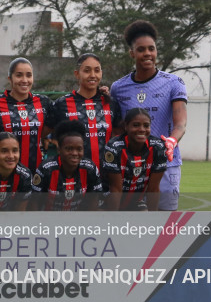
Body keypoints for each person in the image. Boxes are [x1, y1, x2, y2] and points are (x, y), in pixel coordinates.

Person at [110, 20, 187, 211]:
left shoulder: (173, 83)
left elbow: (180, 123)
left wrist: (171, 142)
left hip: (166, 164)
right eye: (141, 49)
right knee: (130, 220)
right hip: (130, 167)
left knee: (163, 221)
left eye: (151, 48)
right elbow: (118, 127)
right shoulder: (118, 87)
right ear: (132, 53)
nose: (147, 53)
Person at [50, 53, 122, 173]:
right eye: (87, 70)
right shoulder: (61, 104)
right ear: (77, 74)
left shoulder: (111, 103)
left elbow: (118, 136)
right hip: (73, 175)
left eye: (97, 70)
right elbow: (46, 135)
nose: (93, 75)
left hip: (106, 174)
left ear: (101, 73)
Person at [0, 57, 53, 172]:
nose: (24, 80)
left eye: (29, 75)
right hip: (3, 172)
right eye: (19, 75)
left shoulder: (44, 102)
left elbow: (44, 132)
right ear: (10, 78)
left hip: (34, 170)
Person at [102, 108, 168, 211]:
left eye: (146, 125)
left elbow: (153, 189)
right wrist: (114, 218)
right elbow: (116, 190)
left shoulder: (158, 147)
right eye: (136, 125)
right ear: (126, 126)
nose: (142, 129)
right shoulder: (114, 147)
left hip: (136, 202)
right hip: (108, 201)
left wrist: (153, 219)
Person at [31, 120, 103, 211]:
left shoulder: (90, 168)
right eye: (69, 149)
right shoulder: (46, 169)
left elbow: (93, 202)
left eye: (79, 149)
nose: (75, 153)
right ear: (59, 149)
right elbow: (34, 202)